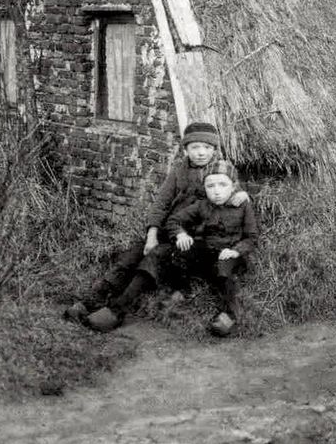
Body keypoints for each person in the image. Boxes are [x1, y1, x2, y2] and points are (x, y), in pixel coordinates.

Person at [64, 121, 247, 322]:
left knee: (154, 258)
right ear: (186, 149)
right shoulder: (180, 171)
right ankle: (92, 300)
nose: (201, 153)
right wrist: (152, 234)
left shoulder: (221, 172)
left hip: (195, 240)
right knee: (133, 254)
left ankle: (117, 311)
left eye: (207, 147)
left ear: (214, 149)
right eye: (195, 147)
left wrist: (242, 195)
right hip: (171, 228)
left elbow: (235, 194)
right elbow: (161, 203)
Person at [85, 160, 258, 337]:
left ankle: (228, 315)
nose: (216, 191)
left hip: (230, 254)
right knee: (160, 253)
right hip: (205, 252)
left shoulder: (242, 205)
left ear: (233, 186)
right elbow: (174, 220)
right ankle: (118, 309)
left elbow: (251, 238)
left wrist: (236, 250)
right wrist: (181, 234)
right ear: (204, 187)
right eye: (210, 185)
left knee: (225, 269)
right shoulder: (202, 205)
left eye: (223, 185)